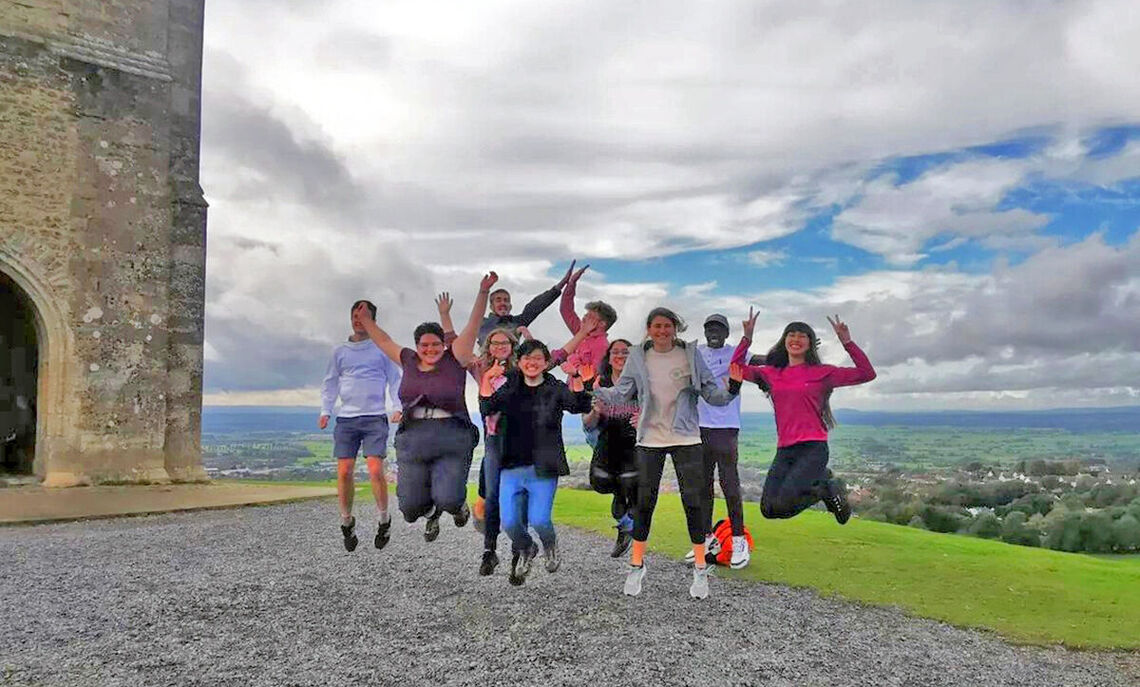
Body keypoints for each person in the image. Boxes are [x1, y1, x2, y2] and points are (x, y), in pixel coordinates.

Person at [438, 296, 601, 575]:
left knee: (528, 509)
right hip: (497, 444)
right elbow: (457, 347)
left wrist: (583, 336)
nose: (500, 347)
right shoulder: (482, 366)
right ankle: (491, 550)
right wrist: (448, 316)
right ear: (488, 345)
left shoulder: (522, 372)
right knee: (494, 499)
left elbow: (554, 358)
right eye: (495, 343)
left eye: (506, 343)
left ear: (514, 347)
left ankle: (520, 553)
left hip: (528, 446)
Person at [593, 307, 742, 600]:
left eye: (667, 326)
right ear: (649, 329)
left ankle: (700, 569)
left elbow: (713, 394)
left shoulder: (690, 354)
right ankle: (636, 566)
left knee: (694, 503)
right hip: (650, 437)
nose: (662, 331)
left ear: (676, 328)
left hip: (686, 436)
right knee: (645, 502)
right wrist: (591, 387)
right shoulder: (638, 356)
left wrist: (733, 388)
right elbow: (621, 393)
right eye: (657, 326)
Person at [355, 273, 495, 540]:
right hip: (415, 436)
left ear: (443, 345)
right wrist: (367, 322)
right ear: (417, 346)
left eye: (435, 344)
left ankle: (456, 508)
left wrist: (483, 293)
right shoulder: (407, 359)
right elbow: (384, 341)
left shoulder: (455, 358)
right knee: (409, 509)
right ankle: (431, 515)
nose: (430, 349)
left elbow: (473, 326)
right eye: (424, 345)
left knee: (449, 499)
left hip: (451, 435)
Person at [730, 310, 876, 525]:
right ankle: (824, 486)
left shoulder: (823, 372)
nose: (795, 339)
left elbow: (866, 373)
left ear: (810, 343)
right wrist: (747, 338)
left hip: (812, 448)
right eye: (791, 334)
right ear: (784, 340)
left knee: (783, 504)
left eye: (802, 335)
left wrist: (847, 342)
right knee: (769, 509)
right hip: (785, 449)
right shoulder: (771, 372)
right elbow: (735, 368)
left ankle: (825, 489)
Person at [479, 340, 594, 586]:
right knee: (510, 523)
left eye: (538, 358)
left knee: (540, 520)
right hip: (511, 466)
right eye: (526, 358)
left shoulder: (554, 388)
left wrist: (576, 376)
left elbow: (579, 404)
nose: (532, 363)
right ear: (519, 363)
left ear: (545, 363)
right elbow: (488, 407)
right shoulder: (510, 388)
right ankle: (527, 548)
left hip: (543, 467)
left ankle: (549, 545)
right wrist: (487, 379)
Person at [320, 300, 403, 552]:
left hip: (375, 415)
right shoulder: (340, 351)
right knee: (344, 471)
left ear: (372, 320)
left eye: (364, 315)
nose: (359, 319)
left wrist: (397, 406)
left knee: (376, 469)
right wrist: (326, 410)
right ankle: (346, 522)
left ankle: (383, 519)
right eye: (355, 315)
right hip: (346, 418)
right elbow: (330, 382)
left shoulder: (381, 349)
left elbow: (394, 379)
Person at [695, 313, 750, 569]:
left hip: (727, 427)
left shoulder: (735, 354)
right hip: (699, 427)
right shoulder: (695, 352)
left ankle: (738, 539)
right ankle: (706, 540)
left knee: (730, 485)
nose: (713, 332)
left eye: (718, 329)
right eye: (709, 328)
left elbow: (764, 360)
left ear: (727, 333)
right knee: (703, 486)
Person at [582, 338, 639, 558]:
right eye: (616, 352)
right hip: (606, 442)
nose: (620, 356)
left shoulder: (640, 383)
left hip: (633, 442)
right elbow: (587, 422)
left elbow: (656, 408)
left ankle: (629, 530)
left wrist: (644, 416)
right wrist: (596, 412)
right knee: (601, 482)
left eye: (626, 352)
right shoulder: (599, 382)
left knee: (630, 484)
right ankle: (627, 525)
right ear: (609, 357)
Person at [476, 261, 579, 343]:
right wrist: (483, 290)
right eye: (498, 300)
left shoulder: (517, 322)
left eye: (506, 300)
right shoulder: (481, 323)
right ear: (491, 306)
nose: (503, 303)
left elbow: (536, 306)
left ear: (510, 306)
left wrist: (561, 284)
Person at [557, 262, 618, 371]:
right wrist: (571, 284)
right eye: (585, 314)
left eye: (589, 316)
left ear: (602, 323)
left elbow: (593, 376)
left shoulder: (602, 346)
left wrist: (571, 359)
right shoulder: (582, 332)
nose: (584, 318)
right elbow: (566, 310)